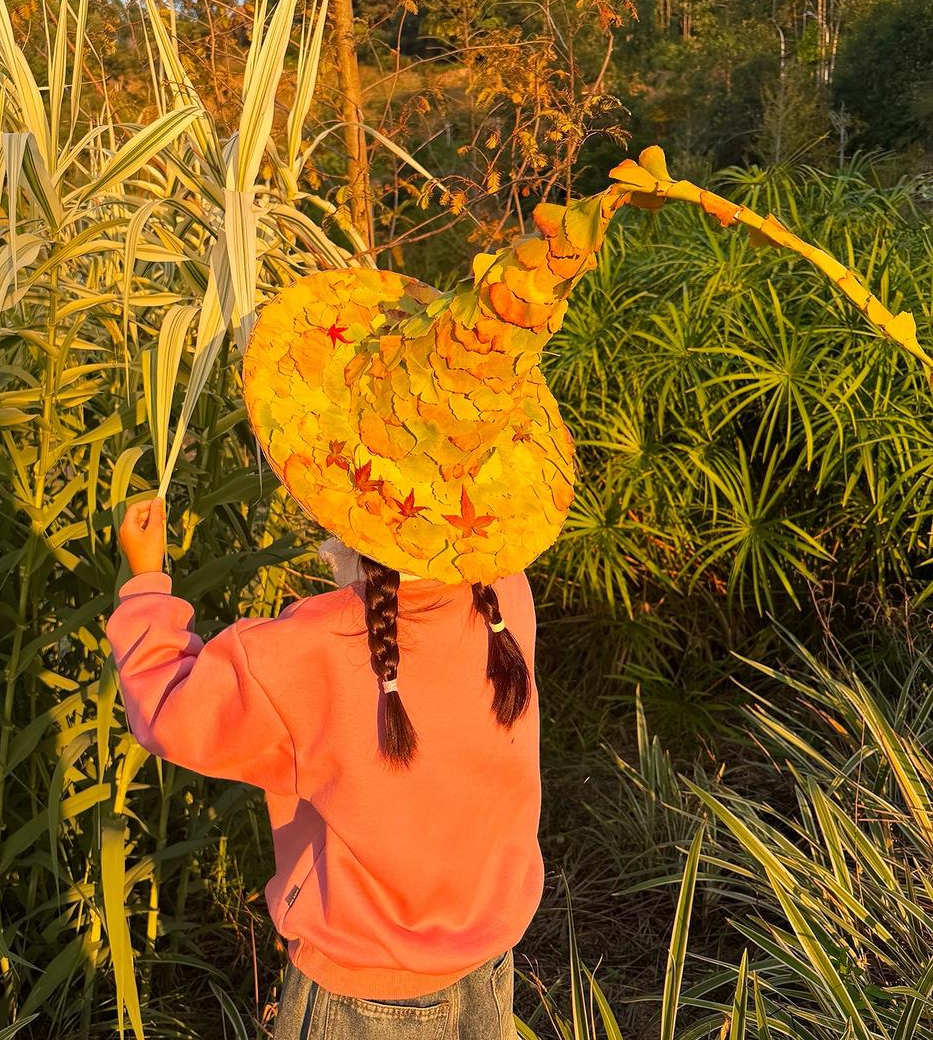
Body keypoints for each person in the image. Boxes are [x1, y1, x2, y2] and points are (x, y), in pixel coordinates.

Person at [106, 146, 925, 1038]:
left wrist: (146, 584)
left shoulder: (294, 656)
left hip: (355, 995)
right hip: (484, 973)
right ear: (480, 500)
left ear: (330, 492)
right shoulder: (506, 603)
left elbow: (171, 714)